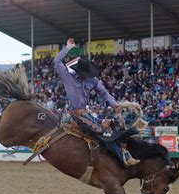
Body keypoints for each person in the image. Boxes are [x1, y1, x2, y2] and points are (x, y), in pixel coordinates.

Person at [54, 37, 139, 167]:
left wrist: (114, 104)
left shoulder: (91, 80)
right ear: (80, 71)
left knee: (114, 125)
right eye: (86, 74)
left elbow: (103, 92)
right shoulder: (68, 77)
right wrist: (68, 48)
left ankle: (123, 150)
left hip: (86, 114)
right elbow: (57, 61)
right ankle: (123, 158)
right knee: (102, 131)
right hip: (75, 115)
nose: (88, 76)